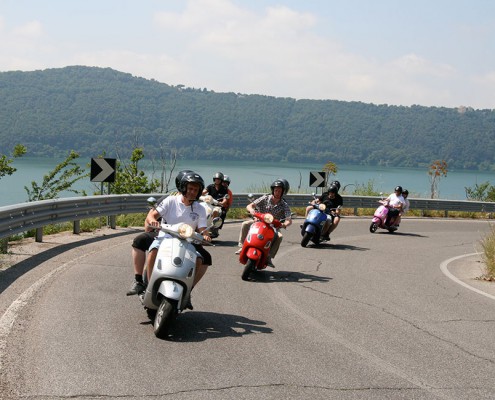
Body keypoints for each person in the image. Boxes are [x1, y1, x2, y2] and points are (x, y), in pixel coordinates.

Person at [145, 171, 212, 310]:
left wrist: (206, 235)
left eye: (196, 190)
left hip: (187, 241)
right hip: (165, 236)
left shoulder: (200, 208)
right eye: (190, 189)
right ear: (184, 188)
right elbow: (153, 215)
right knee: (153, 251)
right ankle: (150, 284)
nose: (193, 192)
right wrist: (153, 221)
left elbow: (202, 228)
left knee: (200, 259)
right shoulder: (170, 200)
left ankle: (188, 291)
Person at [126, 169, 193, 296]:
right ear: (181, 185)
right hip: (164, 234)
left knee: (205, 258)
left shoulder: (196, 203)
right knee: (139, 240)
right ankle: (139, 281)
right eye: (187, 186)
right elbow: (150, 216)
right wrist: (149, 229)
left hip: (186, 237)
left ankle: (187, 291)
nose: (190, 190)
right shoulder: (168, 198)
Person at [235, 179, 292, 267]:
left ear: (283, 192)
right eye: (276, 190)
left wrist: (284, 224)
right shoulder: (265, 198)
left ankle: (269, 257)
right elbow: (250, 205)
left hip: (272, 227)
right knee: (245, 224)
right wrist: (252, 210)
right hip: (258, 221)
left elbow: (289, 219)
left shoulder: (284, 205)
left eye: (279, 191)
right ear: (273, 190)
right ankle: (242, 246)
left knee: (279, 236)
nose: (277, 192)